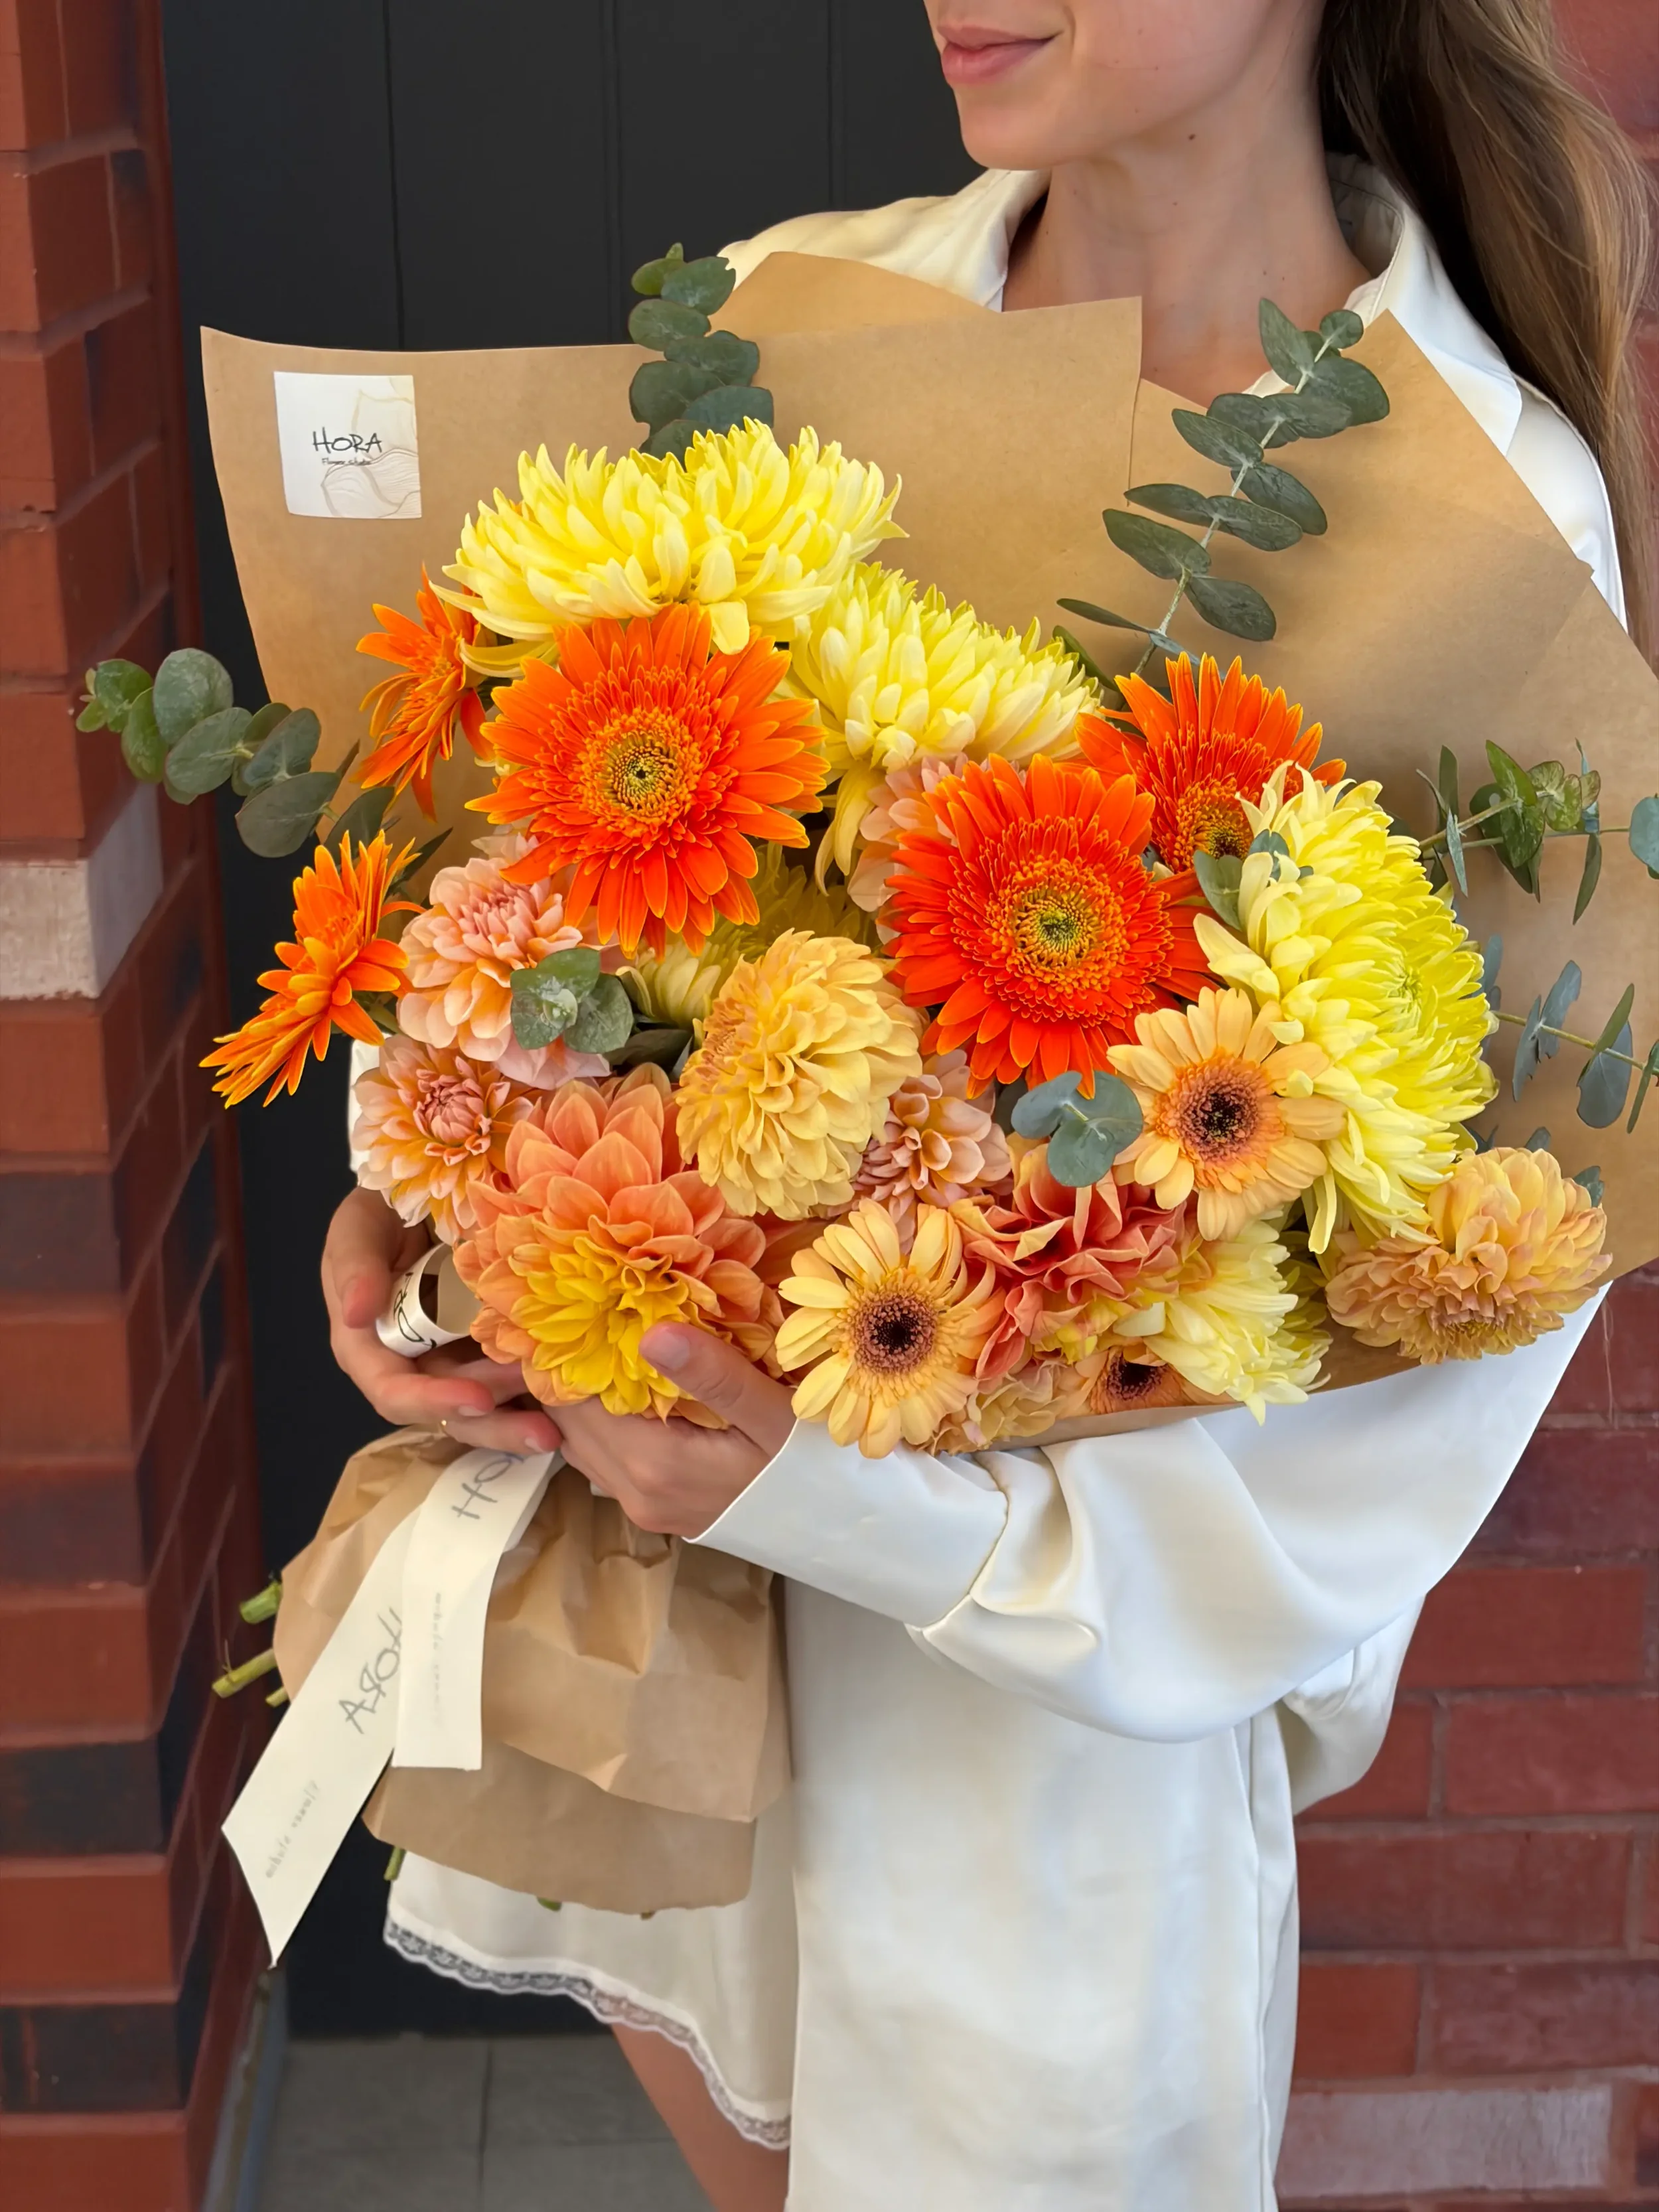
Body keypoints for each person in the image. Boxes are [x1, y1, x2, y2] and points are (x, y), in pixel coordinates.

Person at [321, 4, 1651, 2207]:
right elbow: (520, 858)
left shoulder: (1486, 508)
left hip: (1038, 1756)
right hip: (680, 1638)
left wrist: (848, 1496)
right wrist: (437, 1189)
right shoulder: (788, 315)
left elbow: (1429, 1353)